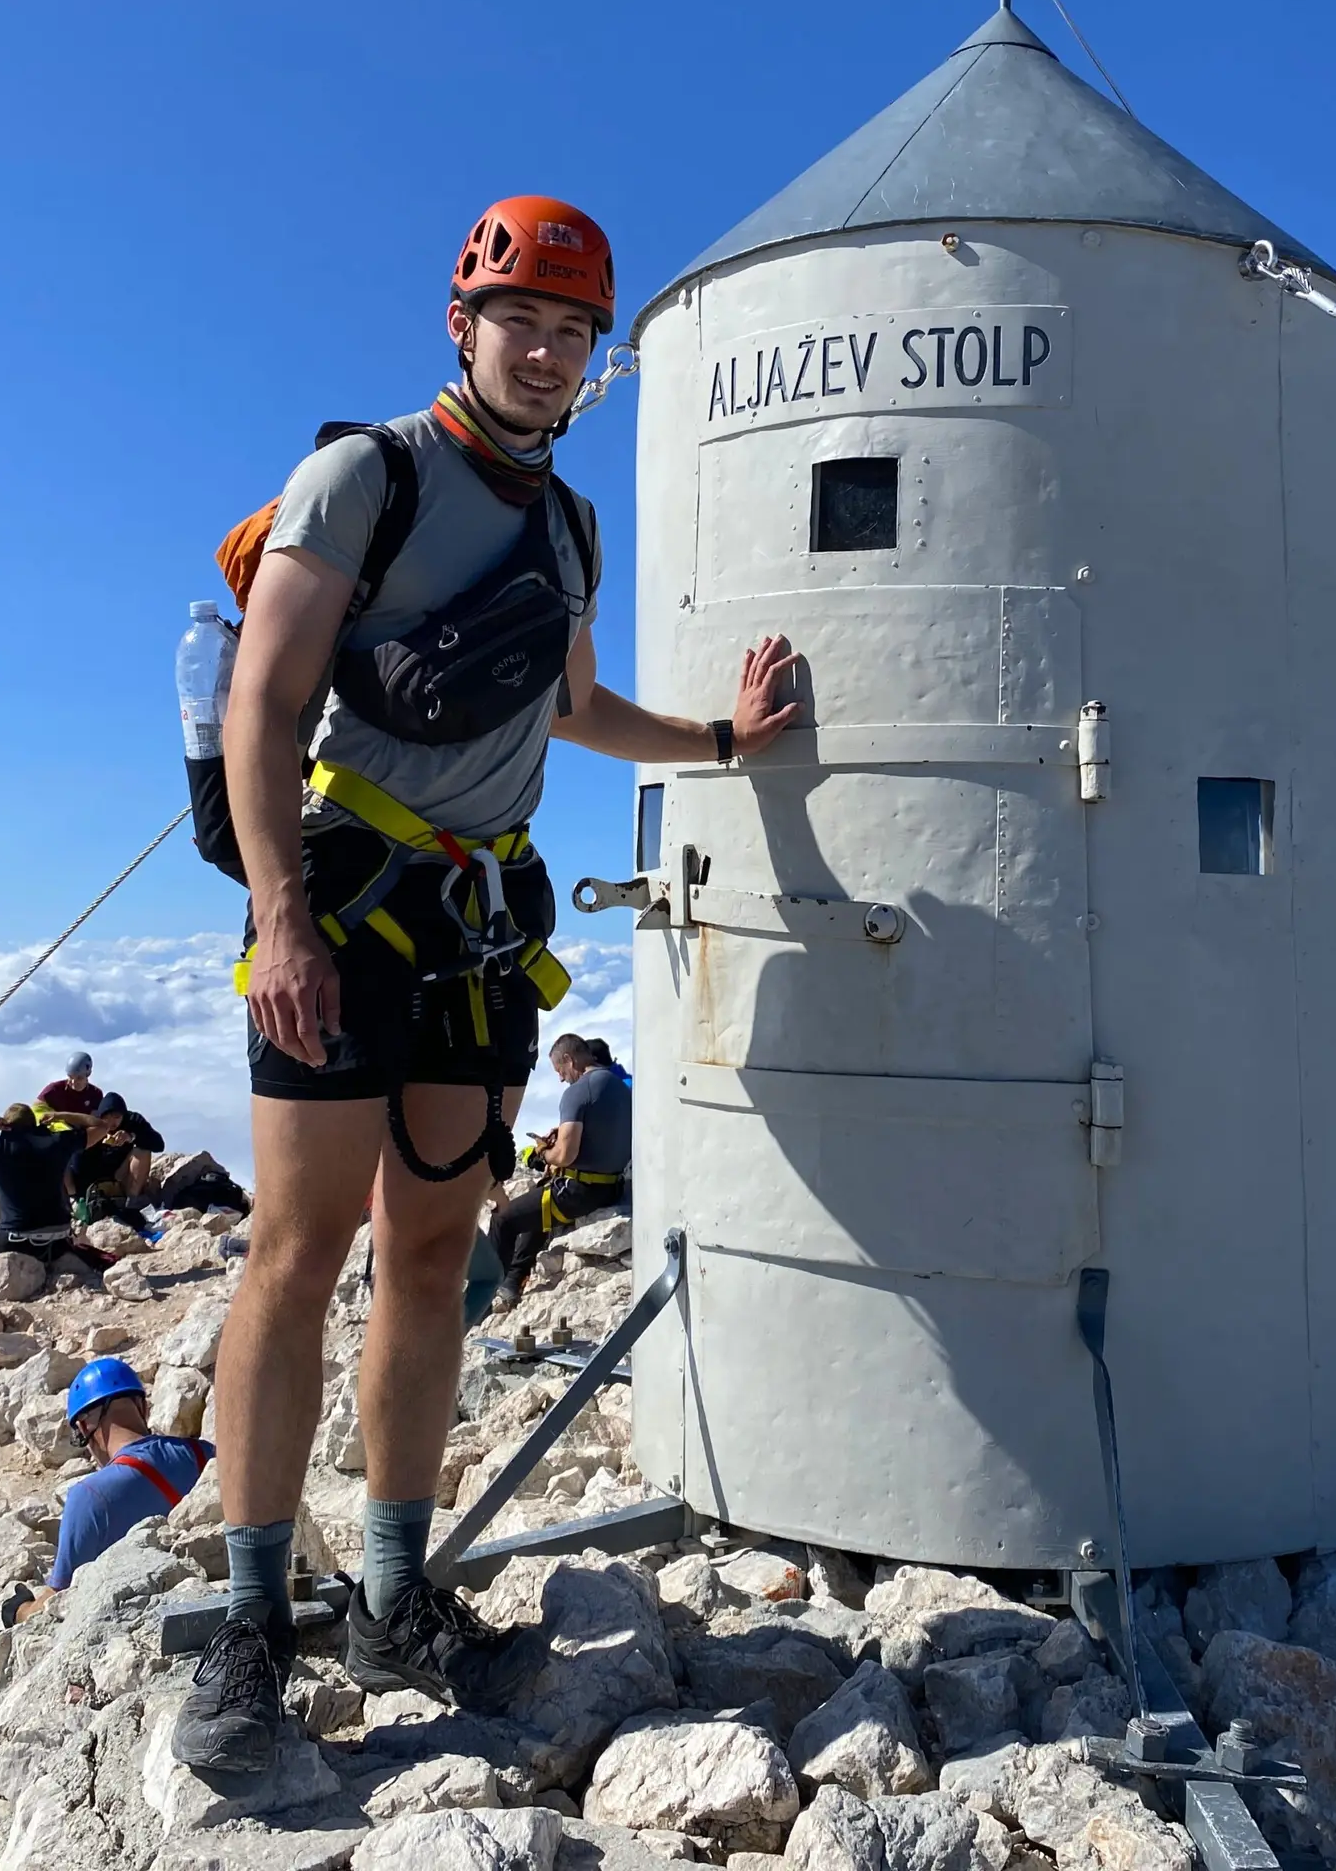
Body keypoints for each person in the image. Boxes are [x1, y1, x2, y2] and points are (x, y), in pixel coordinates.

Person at [174, 193, 799, 1774]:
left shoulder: (572, 525)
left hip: (468, 927)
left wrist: (722, 744)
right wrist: (284, 923)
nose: (549, 350)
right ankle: (251, 1629)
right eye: (524, 321)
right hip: (344, 900)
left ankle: (393, 1589)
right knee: (297, 1255)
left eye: (576, 333)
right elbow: (266, 703)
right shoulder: (365, 476)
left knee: (436, 1255)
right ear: (464, 327)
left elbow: (576, 704)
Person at [0, 1358, 214, 1695]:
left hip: (108, 1646)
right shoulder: (205, 1455)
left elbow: (57, 1608)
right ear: (141, 1405)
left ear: (85, 1426)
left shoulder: (91, 1496)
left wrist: (18, 1610)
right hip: (199, 1610)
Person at [488, 1032, 631, 1310]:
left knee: (503, 1219)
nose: (561, 1078)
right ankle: (512, 1282)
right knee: (537, 1205)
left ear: (569, 1059)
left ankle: (488, 1291)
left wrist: (543, 1151)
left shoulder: (578, 1092)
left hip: (580, 1191)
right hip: (611, 1186)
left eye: (559, 1070)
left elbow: (565, 1155)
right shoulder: (620, 1087)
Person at [0, 1103, 119, 1281]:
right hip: (58, 1241)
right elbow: (101, 1126)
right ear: (34, 1124)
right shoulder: (58, 1141)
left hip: (17, 1241)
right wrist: (60, 1115)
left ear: (6, 1127)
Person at [67, 1093, 166, 1228]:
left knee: (142, 1151)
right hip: (90, 1177)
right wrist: (96, 1139)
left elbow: (158, 1144)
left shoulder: (133, 1121)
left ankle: (132, 1202)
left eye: (116, 1117)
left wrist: (131, 1137)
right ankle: (76, 1201)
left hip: (118, 1176)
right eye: (106, 1118)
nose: (112, 1122)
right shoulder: (91, 1125)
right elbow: (76, 1160)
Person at [37, 1053, 103, 1120]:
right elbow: (36, 1110)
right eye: (71, 1077)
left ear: (88, 1074)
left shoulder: (95, 1094)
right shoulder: (54, 1089)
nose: (73, 1082)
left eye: (79, 1078)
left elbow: (94, 1121)